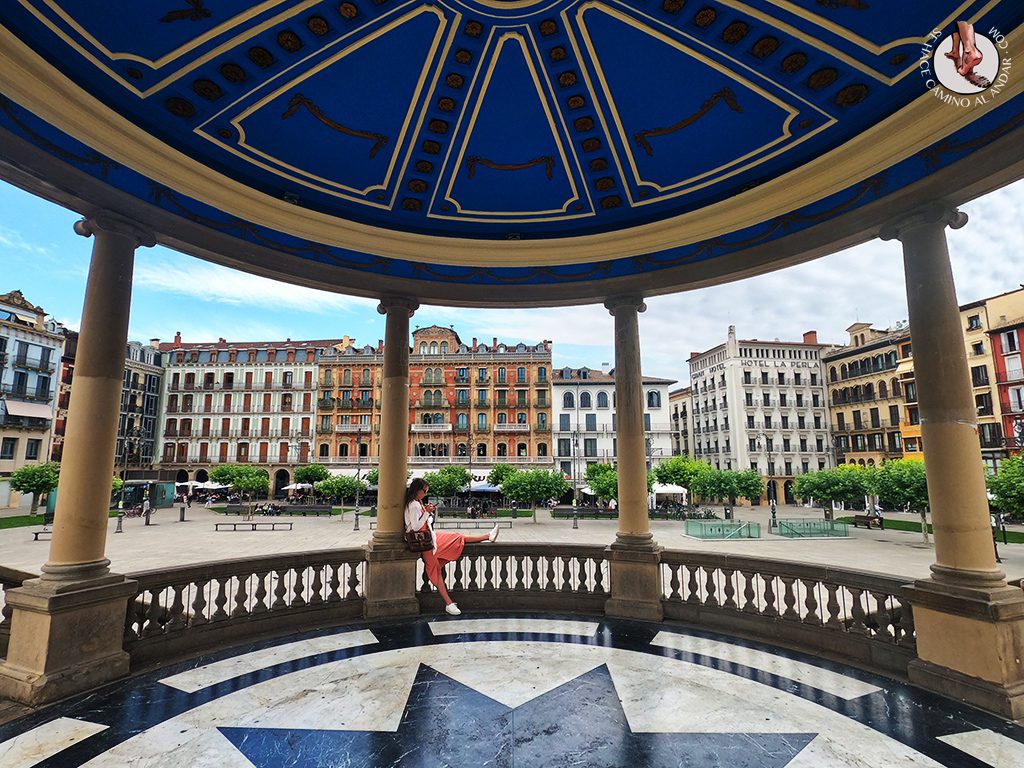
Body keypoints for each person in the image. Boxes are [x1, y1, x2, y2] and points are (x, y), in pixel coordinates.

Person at [404, 478, 498, 615]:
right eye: (424, 491)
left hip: (429, 539)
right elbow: (416, 526)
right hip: (425, 543)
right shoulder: (413, 505)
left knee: (455, 538)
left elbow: (423, 522)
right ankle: (448, 603)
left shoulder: (417, 502)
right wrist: (427, 512)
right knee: (436, 570)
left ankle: (488, 536)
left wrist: (428, 512)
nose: (425, 493)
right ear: (417, 490)